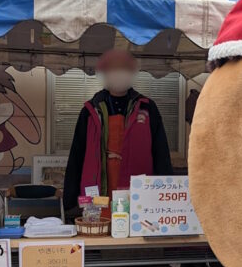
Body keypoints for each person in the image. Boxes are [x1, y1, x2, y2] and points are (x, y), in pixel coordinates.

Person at [62, 50, 173, 213]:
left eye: (124, 70)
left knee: (134, 229)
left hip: (138, 190)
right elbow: (76, 156)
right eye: (113, 70)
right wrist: (70, 202)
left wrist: (167, 195)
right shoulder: (90, 110)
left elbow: (161, 154)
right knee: (100, 230)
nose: (119, 75)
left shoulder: (147, 108)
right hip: (98, 189)